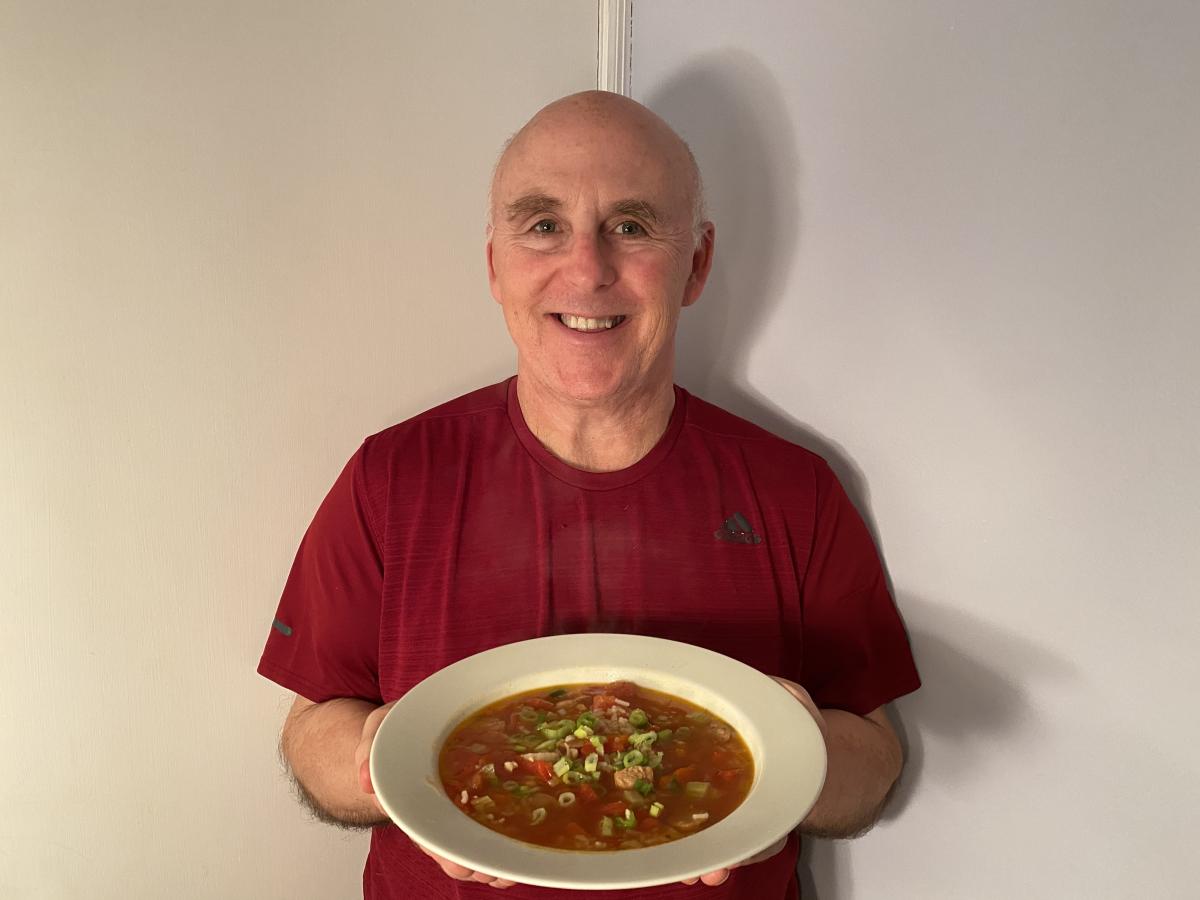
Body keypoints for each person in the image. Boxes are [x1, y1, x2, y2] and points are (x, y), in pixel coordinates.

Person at [258, 90, 920, 899]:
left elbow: (876, 762)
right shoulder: (390, 477)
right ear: (495, 264)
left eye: (632, 227)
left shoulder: (794, 491)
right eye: (543, 225)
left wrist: (798, 752)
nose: (586, 269)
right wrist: (379, 754)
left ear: (697, 265)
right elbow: (308, 729)